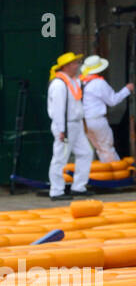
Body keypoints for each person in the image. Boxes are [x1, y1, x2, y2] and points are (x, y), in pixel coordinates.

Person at [47, 51, 92, 199]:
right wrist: (61, 129)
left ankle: (79, 187)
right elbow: (58, 109)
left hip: (75, 124)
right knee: (60, 157)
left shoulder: (71, 81)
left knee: (86, 153)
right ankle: (56, 190)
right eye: (74, 63)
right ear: (66, 66)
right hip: (66, 125)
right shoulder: (60, 84)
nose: (77, 65)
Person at [80, 55, 133, 163]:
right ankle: (117, 174)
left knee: (100, 149)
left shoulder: (82, 83)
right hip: (98, 120)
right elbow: (113, 100)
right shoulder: (99, 83)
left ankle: (108, 174)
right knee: (107, 147)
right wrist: (127, 90)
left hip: (86, 121)